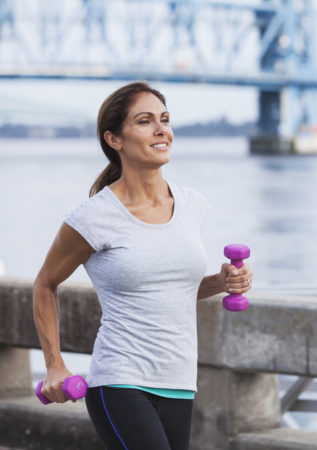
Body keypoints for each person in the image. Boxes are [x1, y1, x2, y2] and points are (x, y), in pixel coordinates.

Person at [32, 81, 253, 450]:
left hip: (179, 380)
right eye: (145, 121)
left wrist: (221, 281)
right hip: (119, 380)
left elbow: (169, 289)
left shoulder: (192, 204)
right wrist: (55, 364)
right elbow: (44, 284)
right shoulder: (94, 217)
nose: (161, 129)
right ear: (114, 139)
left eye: (164, 119)